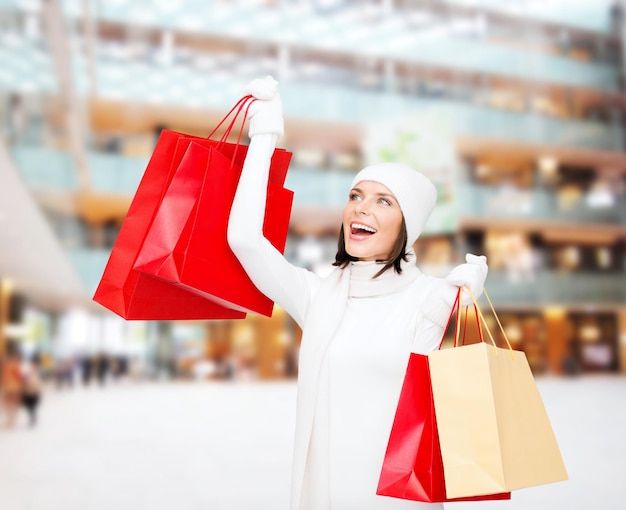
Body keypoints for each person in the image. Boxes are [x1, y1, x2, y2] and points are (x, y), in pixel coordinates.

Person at [227, 76, 488, 510]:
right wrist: (265, 135)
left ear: (409, 228)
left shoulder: (430, 299)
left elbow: (449, 407)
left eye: (384, 201)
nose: (361, 208)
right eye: (356, 195)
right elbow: (245, 242)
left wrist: (458, 310)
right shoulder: (319, 296)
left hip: (399, 500)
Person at [1, 349, 23, 428]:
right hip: (11, 386)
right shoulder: (13, 365)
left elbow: (18, 377)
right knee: (10, 403)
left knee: (11, 403)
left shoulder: (13, 365)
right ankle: (11, 419)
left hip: (12, 386)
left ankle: (11, 419)